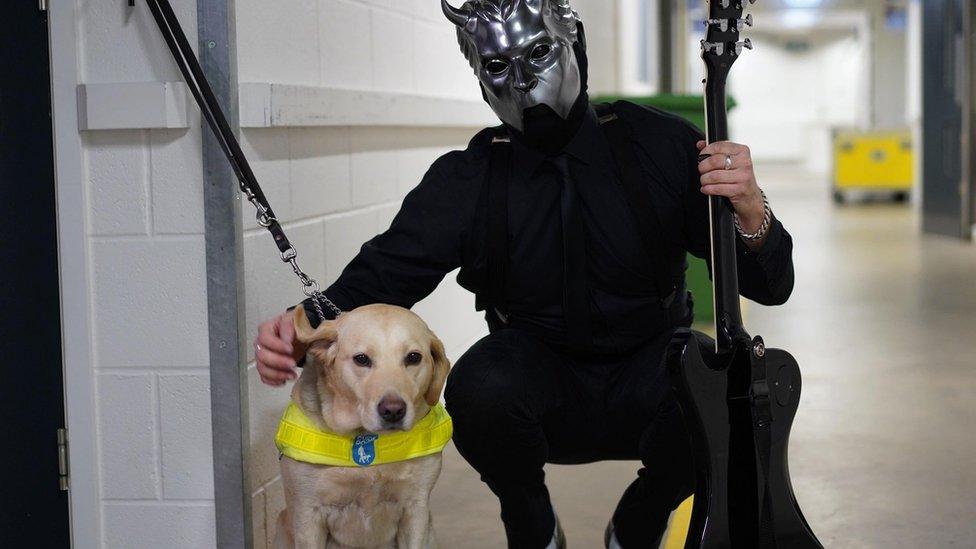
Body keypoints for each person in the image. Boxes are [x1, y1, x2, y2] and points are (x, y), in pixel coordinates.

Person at [253, 1, 794, 547]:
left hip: (650, 373)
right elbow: (377, 280)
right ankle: (530, 521)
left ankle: (643, 516)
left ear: (573, 44)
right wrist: (295, 329)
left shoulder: (660, 145)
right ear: (481, 81)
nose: (523, 79)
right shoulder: (468, 180)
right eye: (497, 66)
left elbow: (772, 285)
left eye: (538, 53)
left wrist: (750, 208)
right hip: (534, 384)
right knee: (477, 385)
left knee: (722, 386)